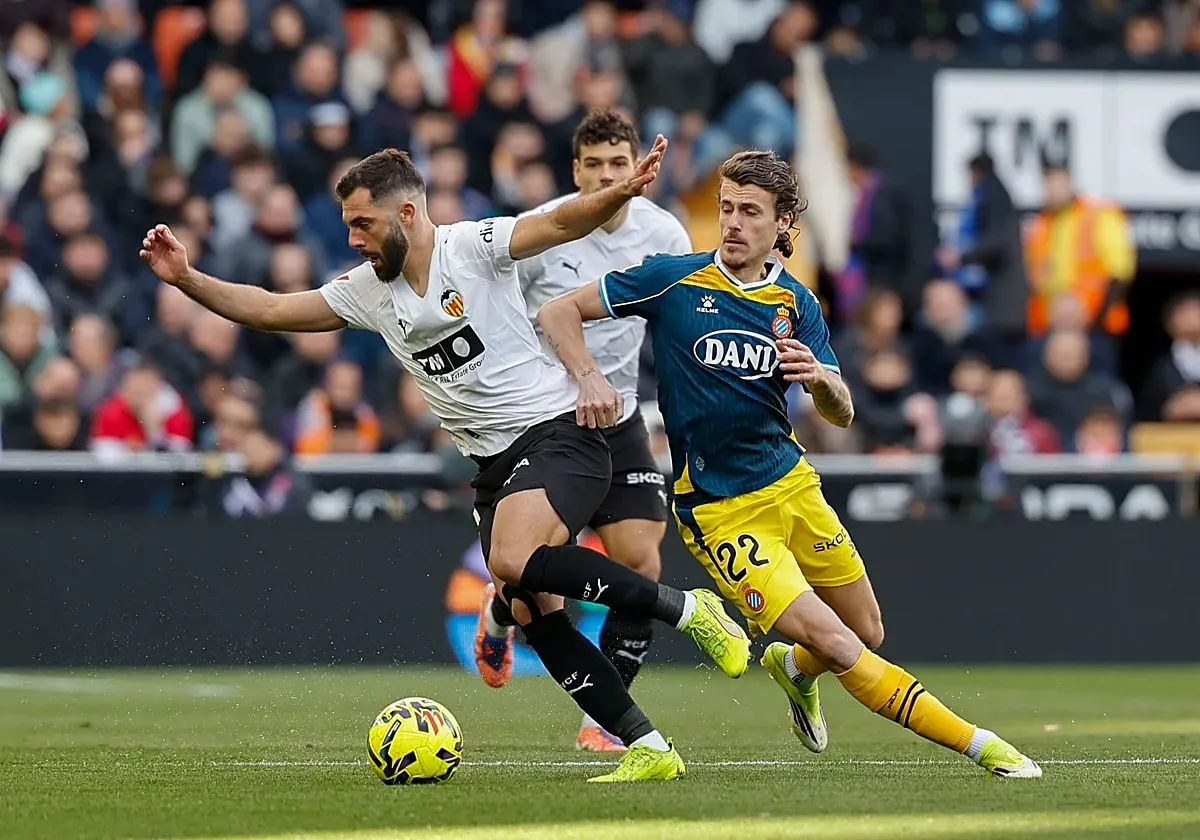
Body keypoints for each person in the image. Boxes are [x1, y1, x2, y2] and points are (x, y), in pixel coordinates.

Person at [137, 144, 751, 784]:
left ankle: (687, 610)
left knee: (512, 562)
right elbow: (269, 309)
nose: (352, 239)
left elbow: (561, 222)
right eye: (348, 225)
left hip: (558, 433)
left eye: (362, 224)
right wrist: (186, 277)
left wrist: (617, 194)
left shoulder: (474, 247)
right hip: (491, 467)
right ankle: (648, 744)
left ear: (407, 212)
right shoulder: (369, 292)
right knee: (532, 612)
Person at [537, 149, 1042, 779]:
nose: (733, 222)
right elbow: (556, 312)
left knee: (866, 631)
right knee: (839, 641)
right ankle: (981, 746)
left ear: (782, 223)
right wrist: (588, 378)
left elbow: (842, 410)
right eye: (726, 208)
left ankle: (794, 666)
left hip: (794, 487)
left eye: (750, 211)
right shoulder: (673, 279)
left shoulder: (797, 303)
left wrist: (821, 380)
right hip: (721, 510)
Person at [472, 108, 693, 753]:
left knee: (640, 559)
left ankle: (607, 717)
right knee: (533, 587)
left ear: (638, 170)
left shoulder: (665, 234)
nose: (605, 175)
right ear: (576, 171)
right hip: (552, 417)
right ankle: (500, 610)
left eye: (617, 163)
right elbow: (510, 316)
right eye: (592, 164)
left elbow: (677, 325)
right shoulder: (549, 230)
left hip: (621, 415)